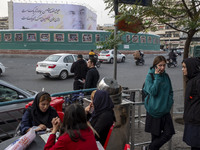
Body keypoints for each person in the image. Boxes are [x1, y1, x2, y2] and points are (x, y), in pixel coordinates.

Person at [143, 55, 175, 150]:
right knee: (155, 137)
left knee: (168, 133)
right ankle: (151, 148)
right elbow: (153, 92)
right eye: (160, 65)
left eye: (164, 65)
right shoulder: (150, 76)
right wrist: (157, 77)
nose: (162, 68)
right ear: (155, 66)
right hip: (154, 111)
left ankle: (149, 148)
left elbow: (170, 91)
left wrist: (169, 102)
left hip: (165, 110)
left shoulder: (166, 76)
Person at [182, 58, 200, 150]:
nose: (182, 69)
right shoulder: (192, 79)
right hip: (193, 120)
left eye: (184, 67)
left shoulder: (197, 80)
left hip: (196, 121)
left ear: (191, 67)